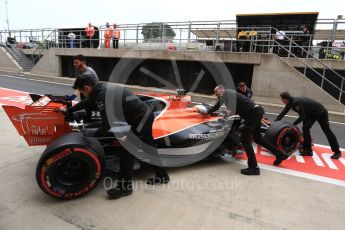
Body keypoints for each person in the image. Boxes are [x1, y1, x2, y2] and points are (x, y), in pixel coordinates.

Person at [64, 75, 170, 199]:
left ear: (87, 88)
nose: (83, 94)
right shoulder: (99, 88)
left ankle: (124, 188)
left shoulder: (102, 95)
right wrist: (70, 110)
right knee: (149, 146)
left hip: (141, 119)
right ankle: (162, 176)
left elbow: (107, 124)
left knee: (126, 149)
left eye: (82, 92)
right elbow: (88, 102)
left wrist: (93, 134)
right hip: (143, 116)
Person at [202, 85, 288, 175]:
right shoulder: (230, 97)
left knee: (245, 140)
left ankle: (254, 168)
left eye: (216, 92)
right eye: (214, 93)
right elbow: (231, 112)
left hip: (253, 113)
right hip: (256, 111)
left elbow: (217, 106)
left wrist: (206, 112)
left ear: (221, 89)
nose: (216, 94)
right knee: (258, 138)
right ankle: (280, 155)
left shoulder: (226, 93)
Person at [275, 92, 341, 159]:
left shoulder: (296, 102)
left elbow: (302, 117)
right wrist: (275, 122)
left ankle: (337, 151)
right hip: (310, 114)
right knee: (305, 128)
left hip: (321, 113)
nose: (282, 101)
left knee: (327, 131)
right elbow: (283, 113)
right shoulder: (289, 103)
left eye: (282, 99)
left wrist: (293, 124)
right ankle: (308, 150)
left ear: (285, 99)